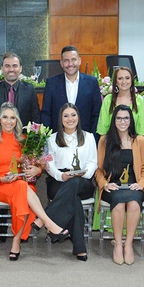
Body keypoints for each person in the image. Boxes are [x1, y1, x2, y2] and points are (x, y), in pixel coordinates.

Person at [0, 103, 69, 260]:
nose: (9, 121)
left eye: (12, 118)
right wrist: (0, 178)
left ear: (17, 121)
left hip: (22, 183)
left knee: (21, 190)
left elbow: (35, 163)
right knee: (22, 189)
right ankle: (47, 222)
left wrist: (38, 170)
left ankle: (17, 240)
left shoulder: (24, 140)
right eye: (5, 117)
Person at [95, 105, 144, 265]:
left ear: (131, 120)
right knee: (118, 204)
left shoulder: (139, 141)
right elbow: (99, 170)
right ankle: (118, 244)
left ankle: (129, 244)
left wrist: (142, 184)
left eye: (126, 118)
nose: (122, 121)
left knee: (134, 203)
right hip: (113, 186)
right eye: (119, 118)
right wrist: (104, 184)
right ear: (114, 120)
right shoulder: (105, 141)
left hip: (134, 186)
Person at [44, 102, 97, 260]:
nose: (70, 119)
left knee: (74, 183)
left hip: (83, 180)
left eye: (73, 115)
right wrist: (61, 176)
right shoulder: (52, 138)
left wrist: (84, 174)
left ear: (78, 117)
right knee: (73, 199)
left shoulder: (88, 137)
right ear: (60, 119)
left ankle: (44, 219)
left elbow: (93, 162)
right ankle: (80, 247)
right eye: (66, 116)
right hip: (59, 180)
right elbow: (49, 164)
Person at [40, 46, 101, 134]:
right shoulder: (52, 83)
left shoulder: (92, 83)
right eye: (66, 61)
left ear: (79, 61)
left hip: (85, 138)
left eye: (73, 60)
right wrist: (47, 139)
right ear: (61, 63)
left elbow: (96, 114)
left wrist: (93, 138)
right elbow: (46, 113)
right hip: (58, 139)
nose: (70, 64)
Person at [0, 52, 39, 136]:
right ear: (2, 68)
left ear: (20, 68)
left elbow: (36, 117)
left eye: (15, 66)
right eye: (7, 66)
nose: (11, 69)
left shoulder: (29, 90)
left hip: (24, 141)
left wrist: (29, 139)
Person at [96, 65, 144, 137]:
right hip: (111, 144)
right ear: (116, 82)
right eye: (120, 78)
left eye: (127, 78)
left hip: (134, 143)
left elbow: (142, 130)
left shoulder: (139, 100)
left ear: (132, 81)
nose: (124, 81)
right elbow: (102, 130)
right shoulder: (108, 100)